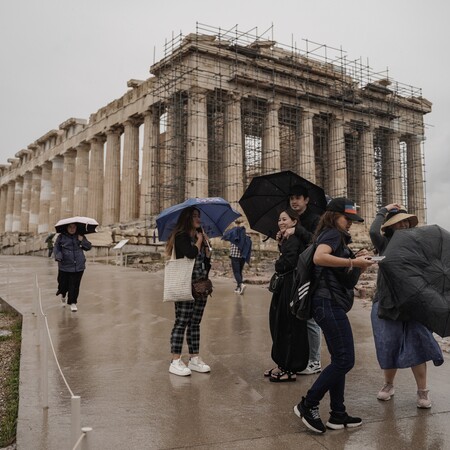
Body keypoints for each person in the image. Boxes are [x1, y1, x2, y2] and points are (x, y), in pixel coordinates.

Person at [293, 197, 375, 433]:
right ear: (333, 217)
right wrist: (352, 259)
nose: (349, 223)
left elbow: (345, 280)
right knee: (345, 359)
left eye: (352, 219)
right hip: (326, 303)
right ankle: (308, 404)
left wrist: (358, 263)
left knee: (340, 359)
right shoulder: (331, 233)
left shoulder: (338, 238)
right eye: (346, 218)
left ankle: (338, 414)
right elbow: (319, 257)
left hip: (329, 303)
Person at [369, 204, 444, 408]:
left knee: (418, 345)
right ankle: (388, 385)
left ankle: (422, 391)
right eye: (398, 222)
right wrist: (383, 211)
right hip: (386, 302)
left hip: (414, 303)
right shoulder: (384, 244)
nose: (403, 224)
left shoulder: (419, 246)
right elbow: (373, 230)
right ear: (391, 227)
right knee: (388, 345)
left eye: (405, 221)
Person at [264, 208, 309, 382]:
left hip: (290, 285)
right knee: (280, 323)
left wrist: (279, 261)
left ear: (294, 221)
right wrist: (282, 245)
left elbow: (287, 263)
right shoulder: (289, 238)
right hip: (286, 285)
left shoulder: (296, 237)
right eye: (279, 220)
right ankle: (282, 363)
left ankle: (290, 367)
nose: (281, 222)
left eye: (284, 219)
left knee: (288, 326)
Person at [167, 207, 212, 377]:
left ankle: (194, 358)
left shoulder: (198, 236)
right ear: (186, 219)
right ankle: (175, 360)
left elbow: (205, 263)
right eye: (194, 216)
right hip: (185, 284)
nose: (198, 219)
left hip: (200, 286)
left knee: (195, 323)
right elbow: (191, 253)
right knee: (182, 321)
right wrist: (199, 241)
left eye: (198, 216)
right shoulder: (180, 236)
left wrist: (207, 248)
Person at [283, 185, 322, 375]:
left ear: (306, 200)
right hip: (296, 274)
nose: (294, 201)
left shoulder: (315, 219)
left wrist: (296, 230)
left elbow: (315, 242)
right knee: (298, 316)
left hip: (311, 273)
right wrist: (283, 238)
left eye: (298, 197)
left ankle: (315, 361)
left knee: (311, 319)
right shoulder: (292, 220)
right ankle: (302, 357)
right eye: (291, 197)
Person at [53, 223, 92, 312]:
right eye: (70, 227)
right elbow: (57, 247)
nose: (72, 229)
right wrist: (58, 256)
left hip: (78, 265)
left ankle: (73, 302)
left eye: (74, 227)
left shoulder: (80, 236)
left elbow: (88, 247)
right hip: (65, 265)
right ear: (66, 228)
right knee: (63, 284)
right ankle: (63, 294)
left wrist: (82, 240)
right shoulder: (61, 237)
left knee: (74, 285)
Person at [222, 220, 252, 295]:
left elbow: (225, 236)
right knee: (239, 272)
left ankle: (241, 284)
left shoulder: (233, 234)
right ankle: (238, 288)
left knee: (236, 272)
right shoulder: (245, 236)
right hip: (242, 257)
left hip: (235, 257)